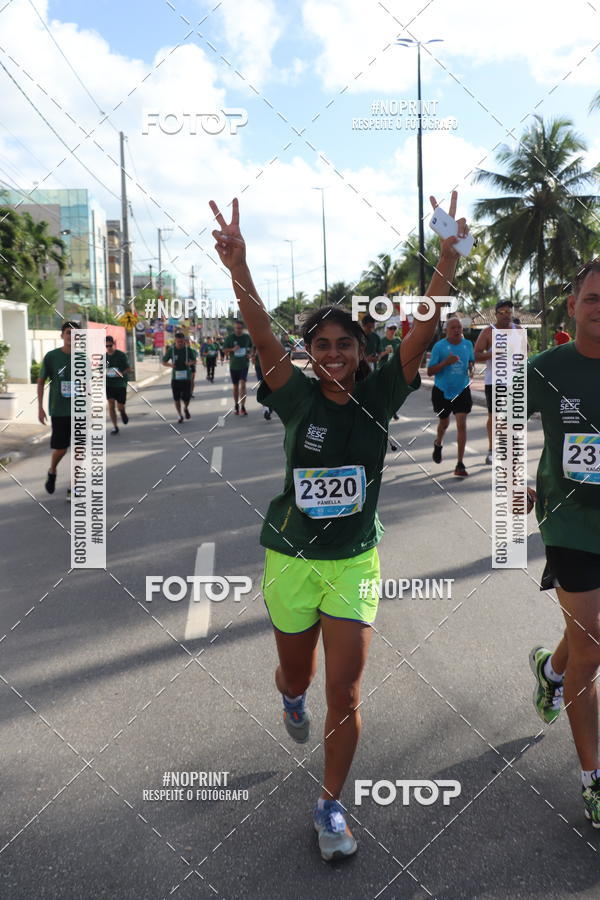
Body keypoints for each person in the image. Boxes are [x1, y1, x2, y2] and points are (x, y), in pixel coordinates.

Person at [209, 190, 468, 861]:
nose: (331, 354)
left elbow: (420, 328)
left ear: (361, 350)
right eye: (320, 345)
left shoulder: (383, 393)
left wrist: (445, 258)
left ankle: (329, 805)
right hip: (291, 561)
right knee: (297, 679)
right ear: (311, 353)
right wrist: (239, 265)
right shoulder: (293, 395)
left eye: (343, 344)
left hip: (353, 562)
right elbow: (262, 331)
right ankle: (290, 699)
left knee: (346, 691)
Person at [526, 260, 600, 827]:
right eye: (593, 297)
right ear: (573, 304)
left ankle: (551, 672)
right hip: (570, 521)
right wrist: (513, 484)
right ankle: (593, 777)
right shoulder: (545, 368)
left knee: (587, 636)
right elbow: (504, 425)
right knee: (594, 648)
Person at [427, 316, 475, 477]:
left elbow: (471, 363)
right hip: (442, 390)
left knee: (462, 424)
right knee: (444, 423)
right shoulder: (439, 347)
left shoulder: (468, 344)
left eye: (459, 327)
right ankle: (438, 442)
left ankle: (460, 464)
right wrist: (446, 362)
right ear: (447, 330)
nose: (456, 330)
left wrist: (471, 368)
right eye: (453, 327)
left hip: (462, 389)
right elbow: (430, 371)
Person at [38, 320, 79, 498]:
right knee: (61, 449)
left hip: (79, 412)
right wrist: (40, 408)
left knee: (79, 451)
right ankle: (52, 470)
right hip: (59, 411)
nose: (72, 336)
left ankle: (73, 488)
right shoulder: (51, 357)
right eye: (68, 333)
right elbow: (41, 382)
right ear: (62, 335)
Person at [474, 299, 517, 464]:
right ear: (496, 314)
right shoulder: (488, 332)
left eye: (509, 312)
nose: (506, 315)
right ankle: (492, 450)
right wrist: (494, 353)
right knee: (494, 417)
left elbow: (526, 350)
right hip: (494, 382)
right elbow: (476, 355)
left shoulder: (518, 330)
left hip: (514, 382)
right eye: (502, 312)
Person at [162, 331, 196, 422]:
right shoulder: (171, 350)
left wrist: (189, 363)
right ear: (175, 341)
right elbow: (164, 362)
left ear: (184, 341)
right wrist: (171, 365)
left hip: (186, 378)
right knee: (176, 398)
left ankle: (185, 408)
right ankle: (180, 415)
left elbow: (194, 361)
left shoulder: (188, 350)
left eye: (182, 341)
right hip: (175, 378)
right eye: (178, 341)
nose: (180, 343)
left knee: (186, 397)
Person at [223, 319, 253, 415]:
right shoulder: (230, 338)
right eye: (236, 328)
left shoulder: (247, 337)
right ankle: (236, 404)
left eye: (240, 328)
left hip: (244, 364)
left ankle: (243, 406)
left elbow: (252, 348)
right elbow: (224, 350)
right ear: (234, 328)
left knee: (243, 384)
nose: (238, 330)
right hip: (234, 366)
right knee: (236, 386)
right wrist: (232, 349)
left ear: (242, 328)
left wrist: (250, 355)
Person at [105, 335, 132, 435]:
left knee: (120, 406)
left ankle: (122, 412)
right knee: (111, 404)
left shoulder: (121, 355)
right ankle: (115, 427)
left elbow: (129, 369)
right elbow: (100, 369)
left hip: (120, 384)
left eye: (110, 345)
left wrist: (121, 373)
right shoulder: (104, 357)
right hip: (109, 384)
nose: (108, 348)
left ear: (114, 344)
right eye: (106, 346)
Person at [252, 349, 272, 420]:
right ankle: (266, 409)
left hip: (269, 365)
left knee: (270, 386)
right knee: (263, 387)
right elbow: (253, 358)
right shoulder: (255, 344)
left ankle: (269, 407)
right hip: (259, 367)